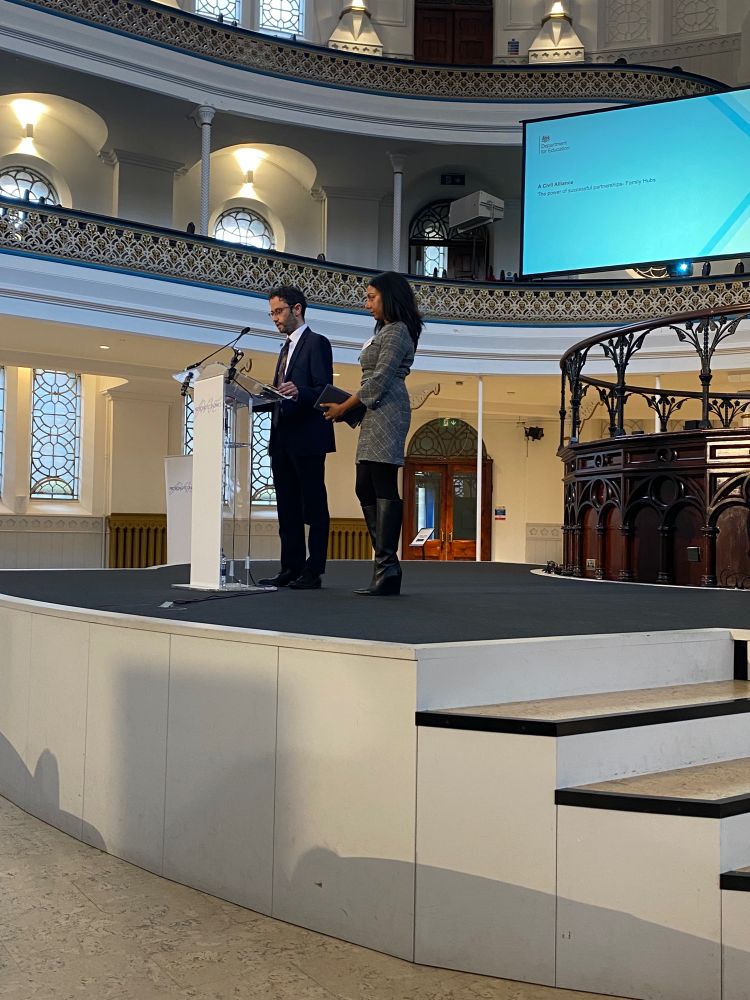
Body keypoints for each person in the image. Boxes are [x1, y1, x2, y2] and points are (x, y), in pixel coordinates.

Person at [321, 271, 423, 596]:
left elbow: (378, 381)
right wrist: (348, 410)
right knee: (364, 485)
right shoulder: (387, 332)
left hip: (389, 410)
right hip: (375, 411)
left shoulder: (398, 332)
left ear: (389, 297)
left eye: (371, 297)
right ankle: (386, 566)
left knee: (380, 483)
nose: (367, 304)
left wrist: (344, 408)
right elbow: (372, 384)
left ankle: (387, 568)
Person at [258, 285, 335, 590]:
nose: (274, 318)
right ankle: (289, 567)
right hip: (283, 437)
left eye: (279, 311)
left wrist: (299, 391)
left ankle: (313, 571)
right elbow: (283, 392)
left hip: (308, 437)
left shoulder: (317, 343)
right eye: (272, 313)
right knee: (287, 507)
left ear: (297, 308)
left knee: (314, 506)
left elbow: (323, 390)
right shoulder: (284, 349)